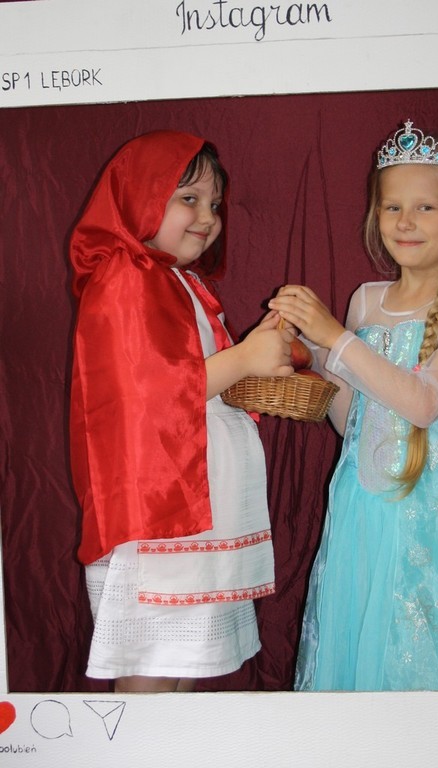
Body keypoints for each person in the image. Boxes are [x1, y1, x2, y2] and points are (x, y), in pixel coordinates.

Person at [269, 120, 438, 691]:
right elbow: (353, 421)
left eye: (425, 207)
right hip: (365, 505)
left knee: (430, 657)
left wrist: (335, 338)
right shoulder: (366, 300)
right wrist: (310, 353)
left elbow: (424, 405)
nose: (405, 221)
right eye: (392, 207)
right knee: (366, 654)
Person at [69, 130, 293, 693]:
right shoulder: (126, 277)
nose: (208, 217)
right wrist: (244, 358)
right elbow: (147, 395)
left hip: (199, 508)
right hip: (160, 514)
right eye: (188, 198)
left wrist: (258, 356)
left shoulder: (180, 283)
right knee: (150, 672)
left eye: (214, 204)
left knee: (184, 669)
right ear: (141, 197)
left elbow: (206, 385)